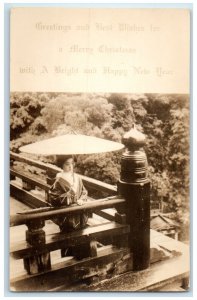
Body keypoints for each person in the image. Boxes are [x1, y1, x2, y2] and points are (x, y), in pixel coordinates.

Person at [48, 155, 89, 232]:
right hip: (67, 214)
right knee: (68, 233)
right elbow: (53, 198)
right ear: (61, 164)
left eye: (72, 163)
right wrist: (68, 195)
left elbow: (84, 191)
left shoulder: (77, 178)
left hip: (79, 211)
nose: (70, 166)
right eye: (67, 164)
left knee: (81, 231)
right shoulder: (59, 180)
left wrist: (81, 199)